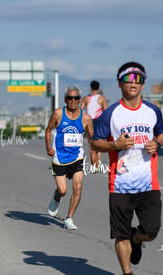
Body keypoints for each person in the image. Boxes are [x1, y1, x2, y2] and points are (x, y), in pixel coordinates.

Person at [91, 62, 163, 275]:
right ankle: (127, 272)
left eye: (139, 79)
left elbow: (162, 133)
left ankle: (137, 238)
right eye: (128, 78)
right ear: (119, 83)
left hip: (148, 184)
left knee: (151, 231)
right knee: (120, 235)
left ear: (143, 85)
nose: (133, 82)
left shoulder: (152, 111)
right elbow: (96, 142)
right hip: (120, 184)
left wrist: (158, 144)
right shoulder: (111, 114)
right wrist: (115, 145)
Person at [45, 86, 94, 230]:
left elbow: (92, 138)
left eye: (76, 98)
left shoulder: (86, 118)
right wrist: (48, 147)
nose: (73, 101)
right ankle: (57, 197)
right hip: (59, 157)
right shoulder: (58, 114)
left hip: (77, 157)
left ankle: (69, 218)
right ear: (65, 99)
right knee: (63, 190)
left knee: (77, 187)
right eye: (70, 98)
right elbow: (48, 130)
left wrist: (94, 154)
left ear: (80, 99)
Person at [81, 80, 108, 172]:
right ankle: (98, 162)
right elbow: (106, 111)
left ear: (91, 88)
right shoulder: (102, 98)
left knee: (91, 142)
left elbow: (81, 110)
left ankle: (93, 163)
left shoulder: (86, 98)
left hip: (89, 121)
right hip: (99, 120)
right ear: (99, 88)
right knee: (99, 141)